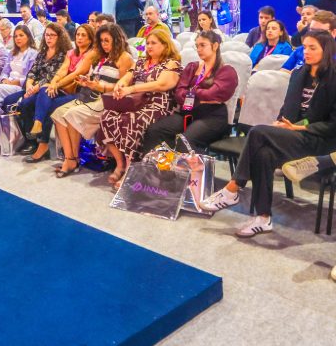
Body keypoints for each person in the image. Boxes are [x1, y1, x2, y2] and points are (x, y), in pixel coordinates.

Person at [201, 31, 336, 237]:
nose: (306, 52)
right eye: (305, 47)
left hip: (320, 141)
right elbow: (287, 107)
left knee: (258, 132)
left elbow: (333, 125)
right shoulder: (299, 74)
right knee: (264, 154)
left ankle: (233, 188)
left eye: (312, 48)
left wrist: (300, 127)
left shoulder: (334, 79)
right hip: (294, 135)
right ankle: (263, 218)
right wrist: (281, 122)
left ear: (326, 50)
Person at [101, 30, 183, 187]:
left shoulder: (171, 63)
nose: (149, 46)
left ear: (165, 45)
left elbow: (162, 84)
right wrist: (121, 84)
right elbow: (128, 77)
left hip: (159, 105)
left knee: (131, 120)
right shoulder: (141, 61)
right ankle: (120, 164)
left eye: (153, 43)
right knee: (107, 116)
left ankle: (131, 170)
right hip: (136, 103)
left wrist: (131, 89)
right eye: (148, 43)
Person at [52, 24, 133, 177]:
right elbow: (95, 79)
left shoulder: (125, 58)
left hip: (109, 100)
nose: (104, 44)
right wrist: (87, 82)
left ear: (117, 40)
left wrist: (100, 86)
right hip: (92, 95)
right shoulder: (102, 56)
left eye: (107, 40)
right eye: (101, 41)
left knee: (71, 114)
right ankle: (71, 158)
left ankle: (72, 159)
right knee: (58, 114)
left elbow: (123, 86)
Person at [141, 30, 238, 155]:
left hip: (212, 116)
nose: (199, 49)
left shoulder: (226, 71)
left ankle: (196, 168)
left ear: (215, 46)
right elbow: (179, 94)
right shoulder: (192, 67)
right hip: (187, 112)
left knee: (185, 141)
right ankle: (160, 165)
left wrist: (192, 91)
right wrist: (200, 96)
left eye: (202, 45)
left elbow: (212, 94)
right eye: (197, 46)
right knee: (155, 130)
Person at [0, 23, 72, 153]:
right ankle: (22, 137)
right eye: (47, 35)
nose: (48, 38)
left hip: (51, 88)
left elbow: (52, 76)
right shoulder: (42, 53)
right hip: (33, 88)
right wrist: (29, 85)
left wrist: (33, 89)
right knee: (9, 100)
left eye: (52, 35)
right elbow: (32, 72)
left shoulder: (63, 55)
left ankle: (34, 141)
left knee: (26, 103)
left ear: (60, 37)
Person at [24, 23, 96, 162]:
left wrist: (56, 85)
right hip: (65, 89)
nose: (79, 38)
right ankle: (38, 125)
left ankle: (42, 144)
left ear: (91, 39)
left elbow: (76, 73)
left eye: (83, 35)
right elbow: (62, 71)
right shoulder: (71, 53)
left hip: (82, 93)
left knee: (49, 106)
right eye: (78, 34)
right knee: (45, 90)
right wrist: (52, 84)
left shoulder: (91, 54)